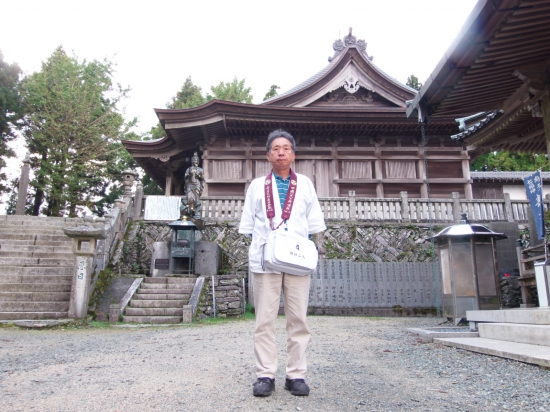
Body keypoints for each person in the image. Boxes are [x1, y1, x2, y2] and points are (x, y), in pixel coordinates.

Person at [239, 129, 326, 397]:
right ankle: (265, 374)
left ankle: (295, 375)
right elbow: (249, 227)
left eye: (286, 148)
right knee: (264, 319)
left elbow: (314, 226)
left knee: (298, 319)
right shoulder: (256, 186)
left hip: (297, 260)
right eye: (276, 148)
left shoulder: (306, 184)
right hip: (266, 261)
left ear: (293, 154)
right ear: (268, 155)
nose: (281, 152)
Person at [181, 152, 204, 220]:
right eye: (193, 160)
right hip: (190, 184)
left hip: (197, 184)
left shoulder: (200, 169)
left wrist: (198, 176)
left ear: (198, 161)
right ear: (191, 161)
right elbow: (185, 177)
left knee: (197, 199)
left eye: (196, 160)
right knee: (189, 198)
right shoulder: (188, 169)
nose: (194, 161)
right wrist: (190, 174)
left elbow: (202, 178)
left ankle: (197, 213)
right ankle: (189, 212)